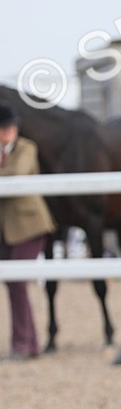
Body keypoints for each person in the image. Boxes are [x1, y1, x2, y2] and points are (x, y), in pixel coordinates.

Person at [0, 103, 56, 360]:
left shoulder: (26, 148)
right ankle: (27, 342)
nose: (7, 132)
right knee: (12, 283)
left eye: (9, 127)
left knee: (17, 281)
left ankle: (24, 343)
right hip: (6, 228)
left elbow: (17, 173)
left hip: (29, 224)